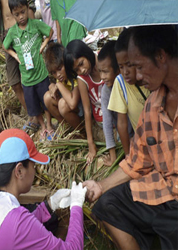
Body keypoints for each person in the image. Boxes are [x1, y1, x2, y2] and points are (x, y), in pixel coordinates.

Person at [83, 25, 178, 250]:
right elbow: (136, 162)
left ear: (161, 56)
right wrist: (101, 185)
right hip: (163, 190)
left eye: (138, 67)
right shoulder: (152, 106)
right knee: (108, 204)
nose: (135, 76)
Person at [0, 128, 87, 249]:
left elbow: (17, 231)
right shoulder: (17, 222)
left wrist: (49, 205)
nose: (35, 171)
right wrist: (76, 206)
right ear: (19, 171)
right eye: (34, 165)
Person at [3, 0, 54, 140]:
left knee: (45, 103)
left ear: (27, 8)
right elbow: (5, 46)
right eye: (17, 14)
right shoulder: (13, 32)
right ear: (13, 15)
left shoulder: (36, 24)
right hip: (27, 79)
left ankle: (49, 125)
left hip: (41, 74)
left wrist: (43, 46)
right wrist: (16, 56)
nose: (21, 16)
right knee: (34, 106)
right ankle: (43, 127)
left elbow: (50, 31)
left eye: (23, 12)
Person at [0, 0, 40, 132]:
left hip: (23, 33)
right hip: (7, 36)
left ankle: (39, 116)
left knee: (32, 75)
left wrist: (32, 33)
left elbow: (30, 7)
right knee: (14, 82)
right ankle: (32, 115)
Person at [108, 28, 150, 155]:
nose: (125, 72)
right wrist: (127, 154)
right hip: (143, 144)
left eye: (129, 64)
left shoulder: (152, 78)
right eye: (121, 67)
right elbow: (121, 122)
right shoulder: (120, 83)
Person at [64, 39, 104, 164]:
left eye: (81, 64)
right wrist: (90, 142)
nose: (82, 70)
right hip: (102, 119)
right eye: (77, 69)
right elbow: (87, 110)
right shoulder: (82, 79)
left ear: (86, 54)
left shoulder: (103, 58)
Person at [43, 43, 82, 131]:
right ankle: (66, 127)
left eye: (60, 69)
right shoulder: (60, 76)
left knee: (62, 104)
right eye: (54, 73)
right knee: (47, 97)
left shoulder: (74, 75)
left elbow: (72, 104)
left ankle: (80, 130)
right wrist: (52, 86)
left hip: (80, 109)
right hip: (71, 107)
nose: (58, 75)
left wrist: (58, 85)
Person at [97, 41, 120, 166]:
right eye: (100, 71)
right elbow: (107, 122)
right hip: (122, 135)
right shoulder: (106, 91)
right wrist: (113, 156)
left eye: (106, 72)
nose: (102, 77)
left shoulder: (128, 86)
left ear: (118, 69)